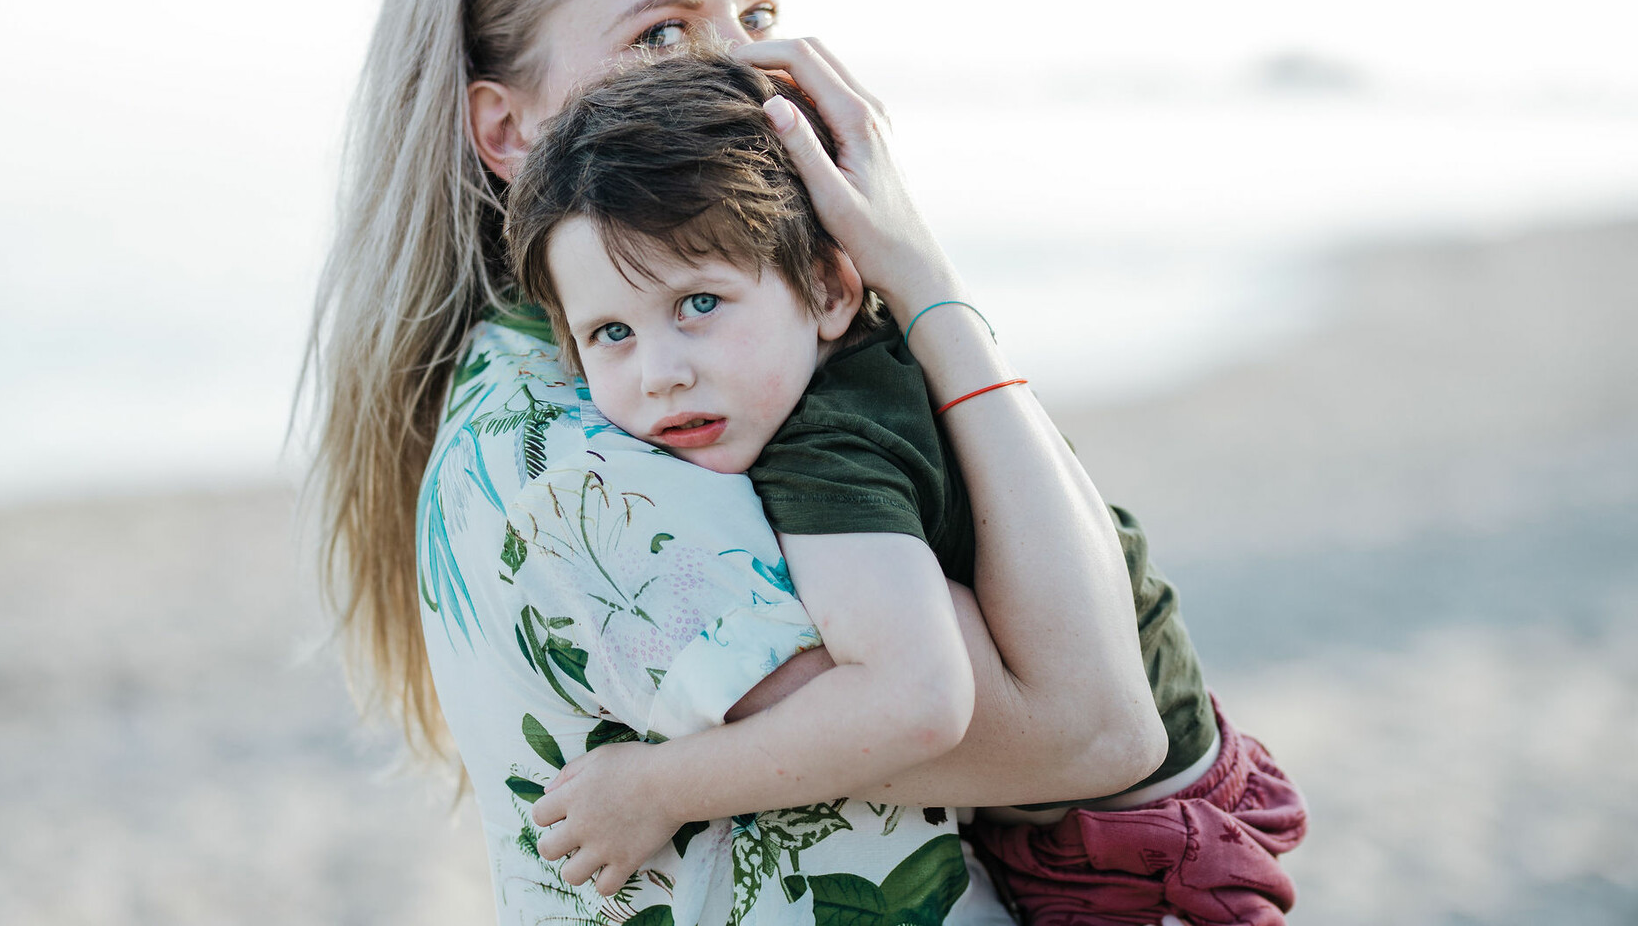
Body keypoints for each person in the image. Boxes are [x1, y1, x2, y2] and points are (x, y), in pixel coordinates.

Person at [304, 0, 1166, 926]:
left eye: (754, 18)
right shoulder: (602, 467)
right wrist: (924, 282)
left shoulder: (662, 381)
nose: (756, 83)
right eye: (662, 36)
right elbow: (1099, 731)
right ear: (507, 128)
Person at [504, 49, 1309, 925]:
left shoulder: (827, 443)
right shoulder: (871, 368)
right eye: (611, 331)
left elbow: (916, 700)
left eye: (700, 304)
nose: (661, 372)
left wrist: (660, 787)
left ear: (828, 288)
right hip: (1174, 778)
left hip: (1129, 847)